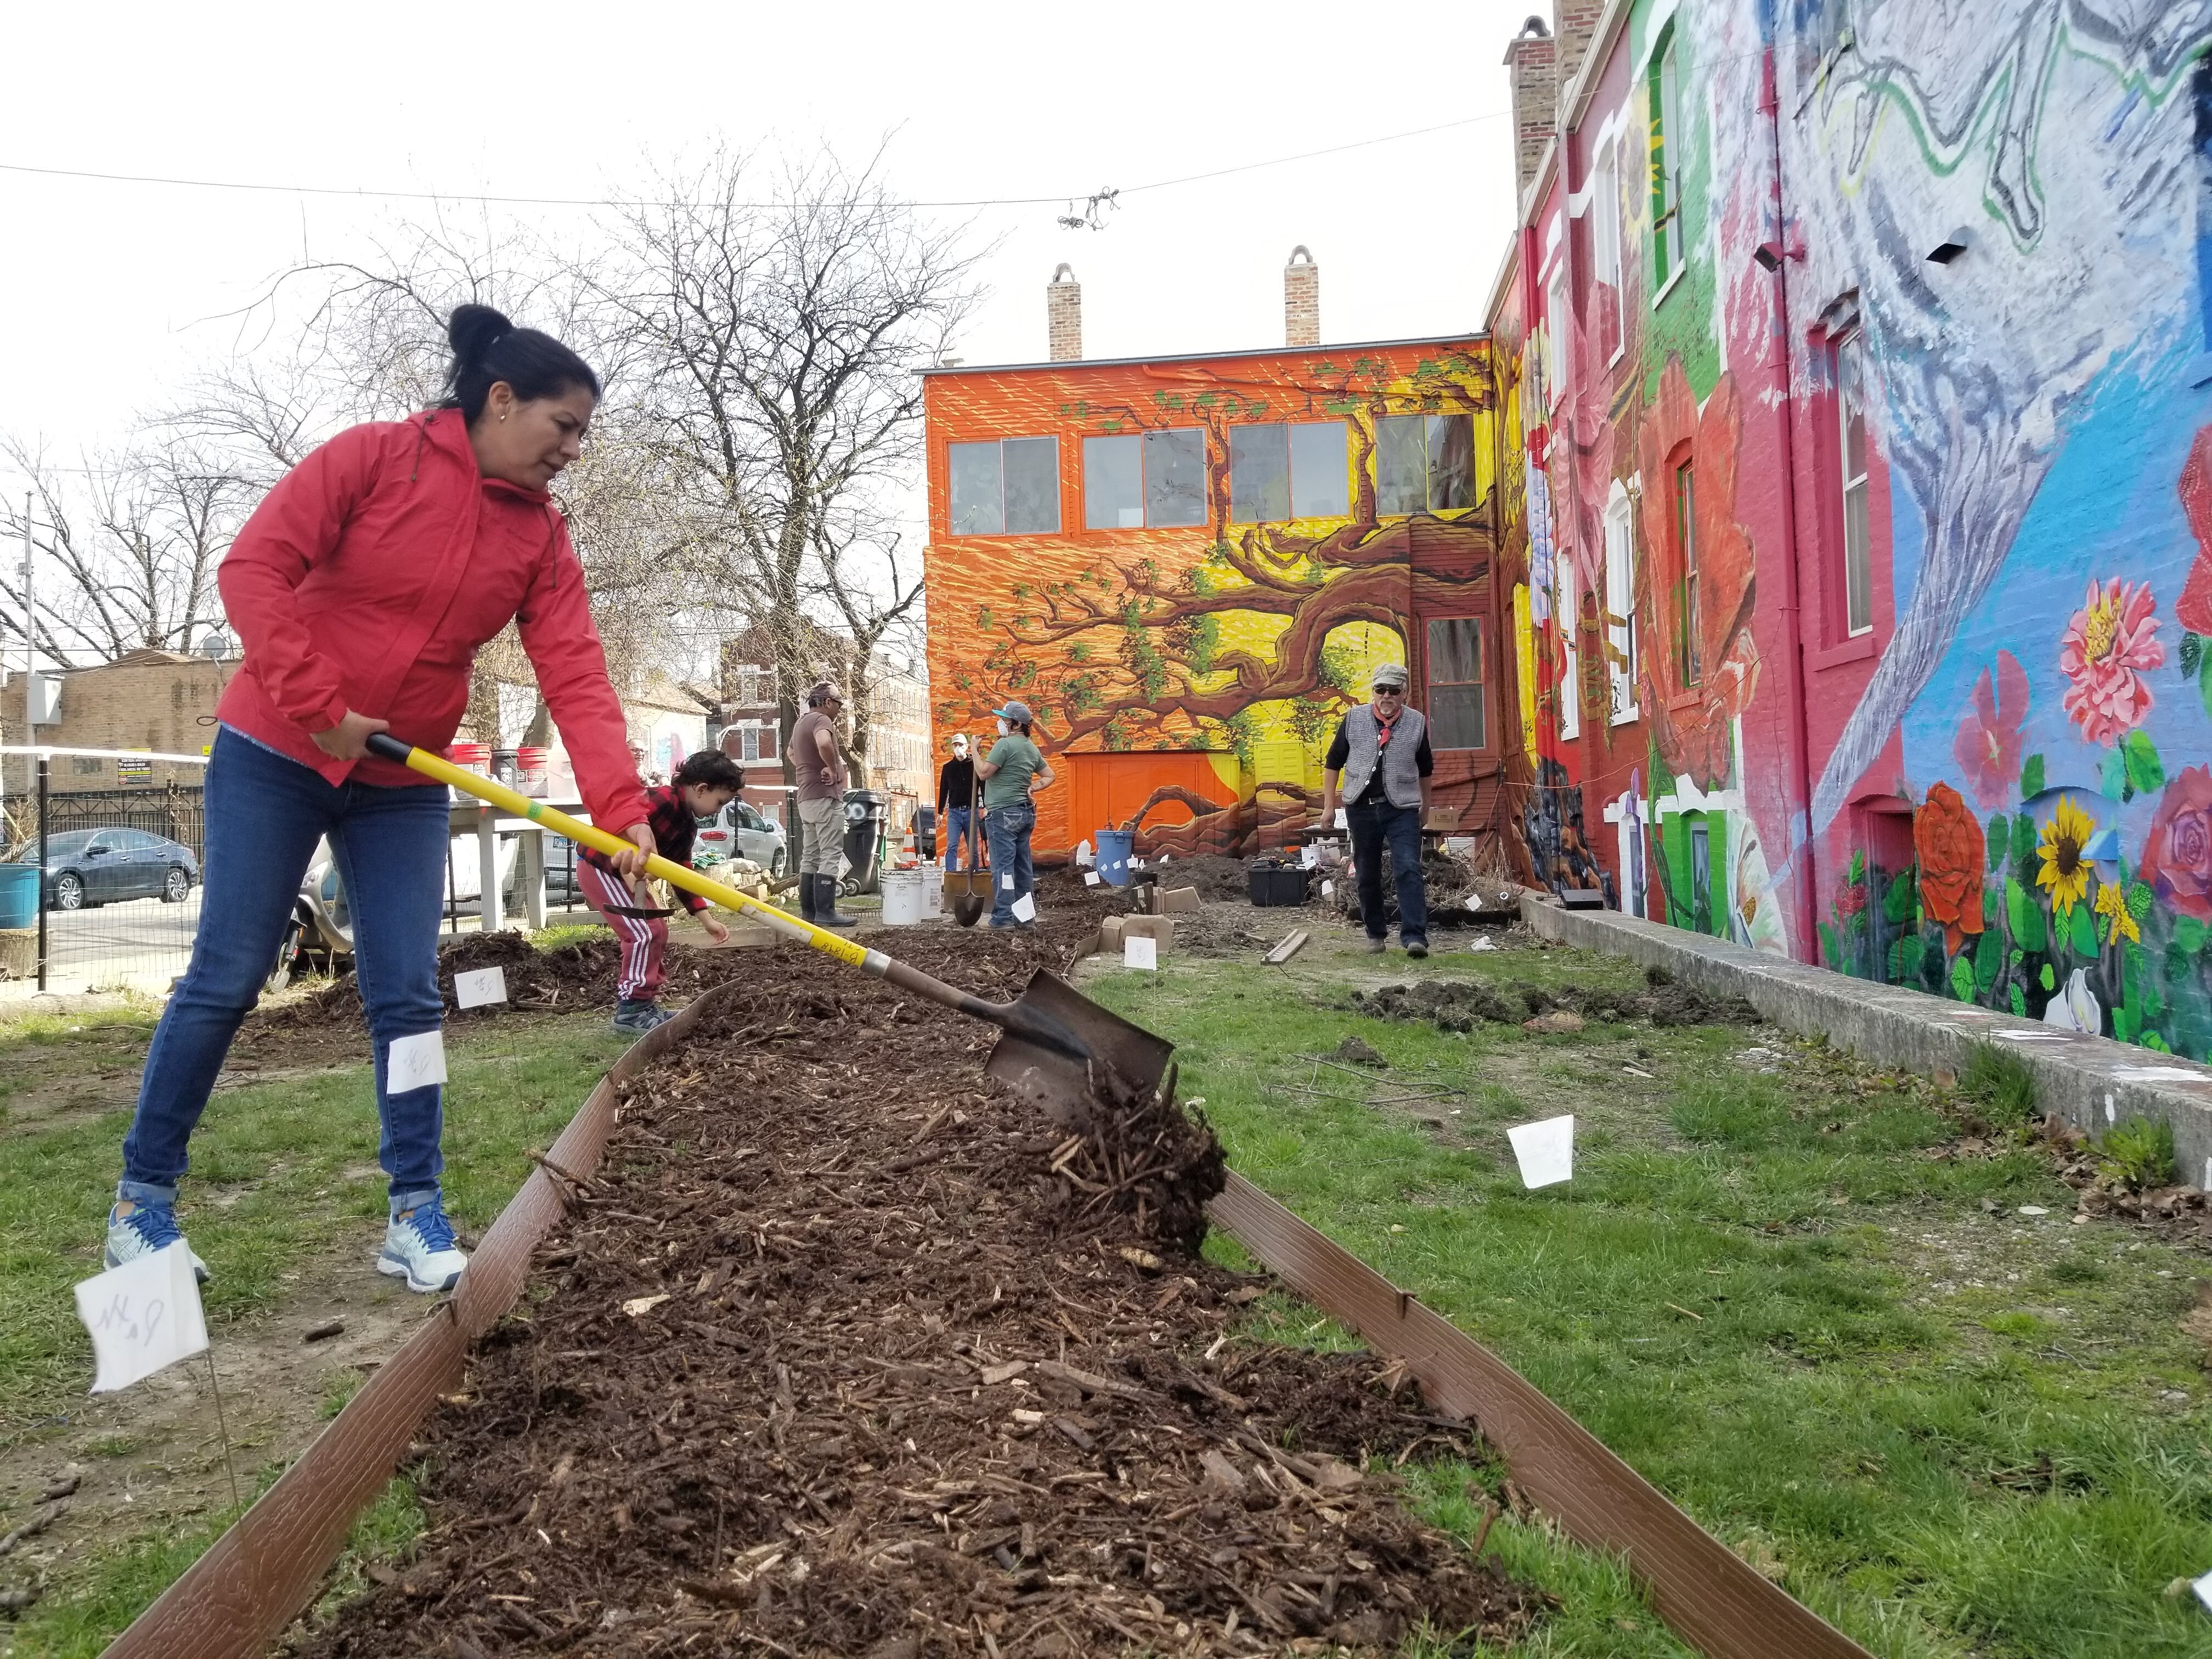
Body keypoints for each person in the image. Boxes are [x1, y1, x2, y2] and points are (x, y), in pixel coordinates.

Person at [105, 304, 657, 1296]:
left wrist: (620, 805)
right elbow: (253, 570)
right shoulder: (372, 460)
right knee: (228, 974)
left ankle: (414, 1208)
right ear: (500, 398)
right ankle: (142, 1200)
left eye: (582, 433)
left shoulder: (539, 537)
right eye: (562, 426)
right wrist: (320, 709)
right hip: (276, 748)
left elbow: (573, 668)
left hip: (403, 778)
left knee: (405, 991)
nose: (573, 450)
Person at [577, 749, 738, 1032]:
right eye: (720, 802)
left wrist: (707, 919)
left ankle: (646, 1005)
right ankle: (631, 1010)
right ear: (702, 789)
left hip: (625, 877)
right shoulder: (658, 799)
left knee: (658, 930)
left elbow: (682, 873)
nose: (719, 810)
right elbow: (620, 822)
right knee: (643, 933)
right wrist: (631, 873)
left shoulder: (687, 826)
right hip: (600, 867)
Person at [1318, 663, 1434, 958]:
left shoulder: (1417, 723)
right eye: (1381, 690)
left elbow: (1426, 770)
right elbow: (1333, 762)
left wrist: (1425, 807)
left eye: (1394, 691)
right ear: (1373, 691)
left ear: (1404, 693)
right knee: (1367, 873)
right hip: (1361, 808)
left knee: (1408, 867)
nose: (1387, 696)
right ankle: (1375, 934)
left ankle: (1414, 937)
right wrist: (1329, 806)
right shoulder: (1354, 719)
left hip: (1402, 809)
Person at [974, 700, 1053, 929]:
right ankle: (1026, 917)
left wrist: (974, 750)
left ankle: (1002, 918)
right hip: (1025, 814)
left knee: (1003, 869)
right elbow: (1050, 776)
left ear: (1016, 724)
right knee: (1022, 868)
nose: (1001, 722)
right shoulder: (1031, 748)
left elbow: (983, 772)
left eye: (1004, 719)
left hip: (1003, 815)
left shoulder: (1004, 745)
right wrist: (1034, 788)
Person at [791, 680, 853, 929]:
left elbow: (791, 753)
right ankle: (826, 911)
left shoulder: (799, 723)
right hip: (825, 797)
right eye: (838, 703)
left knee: (811, 853)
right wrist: (829, 766)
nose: (839, 708)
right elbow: (825, 743)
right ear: (827, 702)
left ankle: (809, 911)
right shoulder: (821, 721)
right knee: (830, 852)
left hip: (806, 797)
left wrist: (808, 770)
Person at [936, 732, 977, 871]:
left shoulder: (974, 764)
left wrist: (987, 806)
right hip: (954, 812)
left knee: (973, 848)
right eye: (955, 745)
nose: (958, 747)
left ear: (966, 746)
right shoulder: (948, 768)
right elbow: (943, 790)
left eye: (961, 745)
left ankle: (974, 876)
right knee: (952, 846)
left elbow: (983, 786)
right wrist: (940, 812)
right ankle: (951, 877)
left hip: (972, 811)